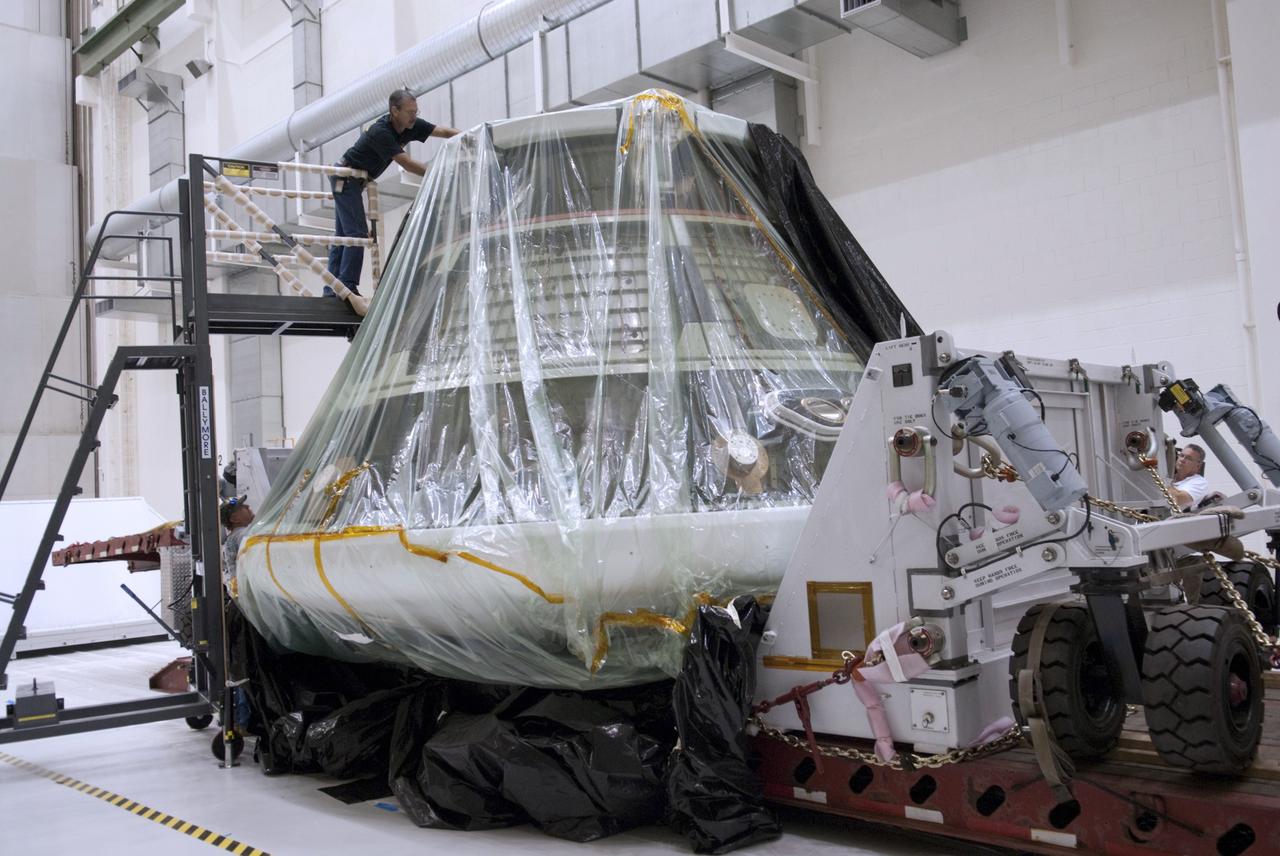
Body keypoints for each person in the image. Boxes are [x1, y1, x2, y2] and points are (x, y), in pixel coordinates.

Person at [326, 89, 460, 296]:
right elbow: (406, 163)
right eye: (410, 112)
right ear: (394, 111)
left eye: (416, 112)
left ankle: (331, 289)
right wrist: (437, 173)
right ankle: (347, 286)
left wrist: (468, 136)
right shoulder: (381, 132)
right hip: (345, 177)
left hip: (355, 180)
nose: (414, 116)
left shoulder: (410, 125)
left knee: (343, 236)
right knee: (356, 234)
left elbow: (441, 131)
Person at [220, 496, 255, 595]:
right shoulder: (243, 534)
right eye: (242, 507)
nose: (247, 506)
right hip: (249, 588)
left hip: (239, 589)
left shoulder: (232, 538)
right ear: (234, 519)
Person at [1170, 444, 1209, 511]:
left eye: (1188, 458)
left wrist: (1160, 481)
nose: (1182, 460)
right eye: (1181, 456)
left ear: (1198, 465)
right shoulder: (1169, 478)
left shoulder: (1200, 483)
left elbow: (1178, 500)